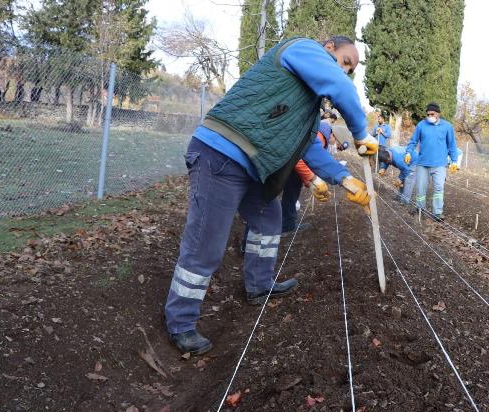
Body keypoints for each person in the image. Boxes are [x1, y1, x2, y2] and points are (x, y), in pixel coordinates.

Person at [164, 35, 378, 355]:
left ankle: (259, 286)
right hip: (220, 154)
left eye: (350, 70)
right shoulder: (302, 48)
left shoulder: (308, 104)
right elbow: (340, 86)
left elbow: (307, 148)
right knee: (206, 243)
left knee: (268, 217)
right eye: (346, 62)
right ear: (329, 48)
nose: (346, 71)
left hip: (251, 167)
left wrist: (345, 179)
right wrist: (361, 133)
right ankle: (180, 322)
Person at [281, 121, 348, 234]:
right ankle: (286, 226)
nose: (336, 148)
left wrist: (309, 183)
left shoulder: (321, 133)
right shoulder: (318, 136)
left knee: (290, 194)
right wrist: (313, 178)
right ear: (333, 136)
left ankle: (286, 223)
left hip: (290, 165)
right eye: (338, 146)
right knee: (290, 194)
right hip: (288, 164)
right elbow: (298, 158)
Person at [404, 102, 458, 221]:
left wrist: (454, 161)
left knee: (439, 189)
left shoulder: (447, 127)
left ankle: (437, 213)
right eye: (428, 114)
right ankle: (420, 208)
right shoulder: (421, 125)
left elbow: (452, 145)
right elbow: (413, 141)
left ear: (438, 114)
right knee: (420, 188)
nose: (430, 116)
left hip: (439, 164)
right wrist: (408, 152)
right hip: (423, 163)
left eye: (432, 114)